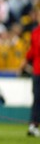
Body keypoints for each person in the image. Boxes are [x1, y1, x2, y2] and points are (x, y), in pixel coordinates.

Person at [21, 9, 40, 137]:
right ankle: (33, 125)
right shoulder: (35, 32)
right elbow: (32, 50)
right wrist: (25, 60)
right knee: (37, 98)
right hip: (37, 70)